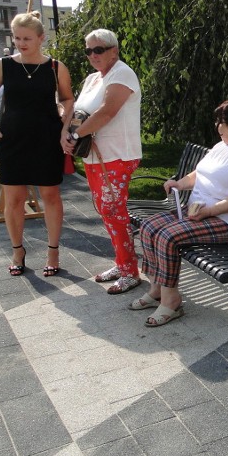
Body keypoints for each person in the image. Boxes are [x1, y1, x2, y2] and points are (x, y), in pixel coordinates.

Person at [132, 100, 228, 327]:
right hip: (199, 211)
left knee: (168, 236)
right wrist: (179, 183)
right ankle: (156, 288)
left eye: (222, 122)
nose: (218, 127)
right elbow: (198, 174)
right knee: (149, 227)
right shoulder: (221, 146)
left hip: (227, 221)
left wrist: (209, 211)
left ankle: (171, 301)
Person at [0, 11, 74, 277]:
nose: (21, 43)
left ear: (41, 38)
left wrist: (65, 123)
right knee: (14, 199)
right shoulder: (4, 64)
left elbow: (68, 98)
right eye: (17, 37)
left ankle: (53, 251)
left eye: (27, 38)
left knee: (50, 197)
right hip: (13, 139)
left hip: (46, 138)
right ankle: (18, 250)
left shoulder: (56, 67)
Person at [64, 29, 143, 295]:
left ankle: (131, 271)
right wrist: (67, 134)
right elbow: (79, 113)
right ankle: (122, 263)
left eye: (99, 50)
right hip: (95, 155)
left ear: (114, 50)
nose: (93, 55)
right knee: (105, 210)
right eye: (88, 51)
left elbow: (107, 111)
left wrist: (75, 134)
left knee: (113, 210)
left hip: (118, 154)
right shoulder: (91, 80)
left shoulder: (122, 73)